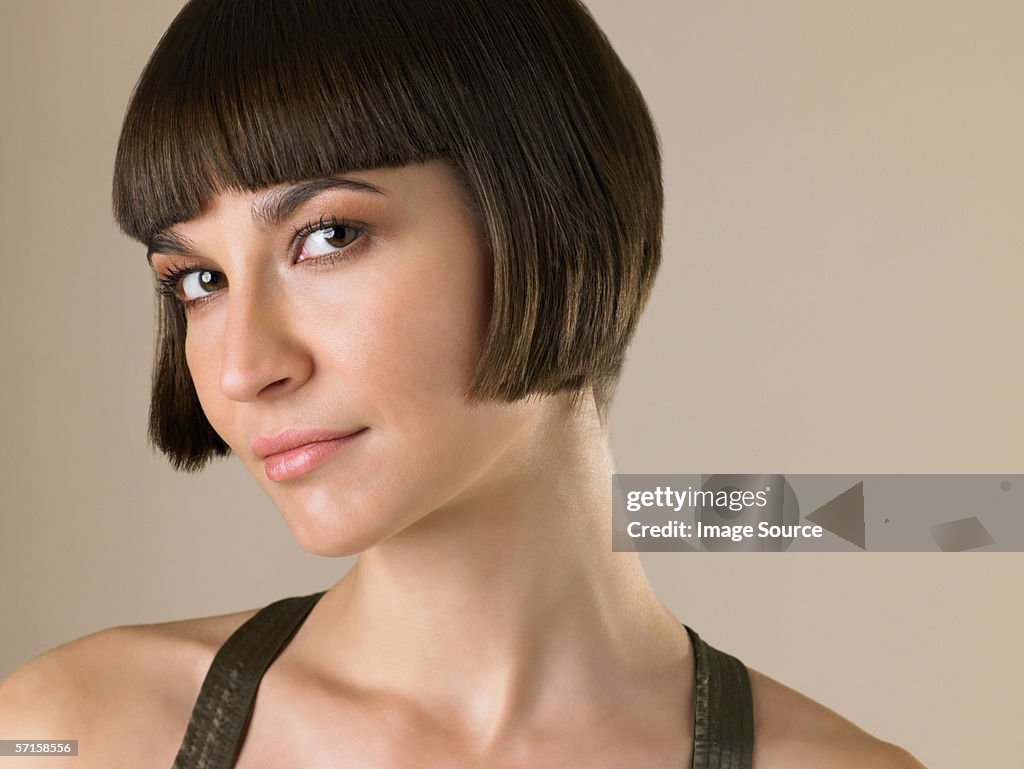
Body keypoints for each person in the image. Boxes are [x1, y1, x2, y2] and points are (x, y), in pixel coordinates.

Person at [0, 1, 926, 767]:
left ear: (549, 214)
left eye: (327, 236)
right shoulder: (66, 733)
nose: (243, 368)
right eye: (198, 280)